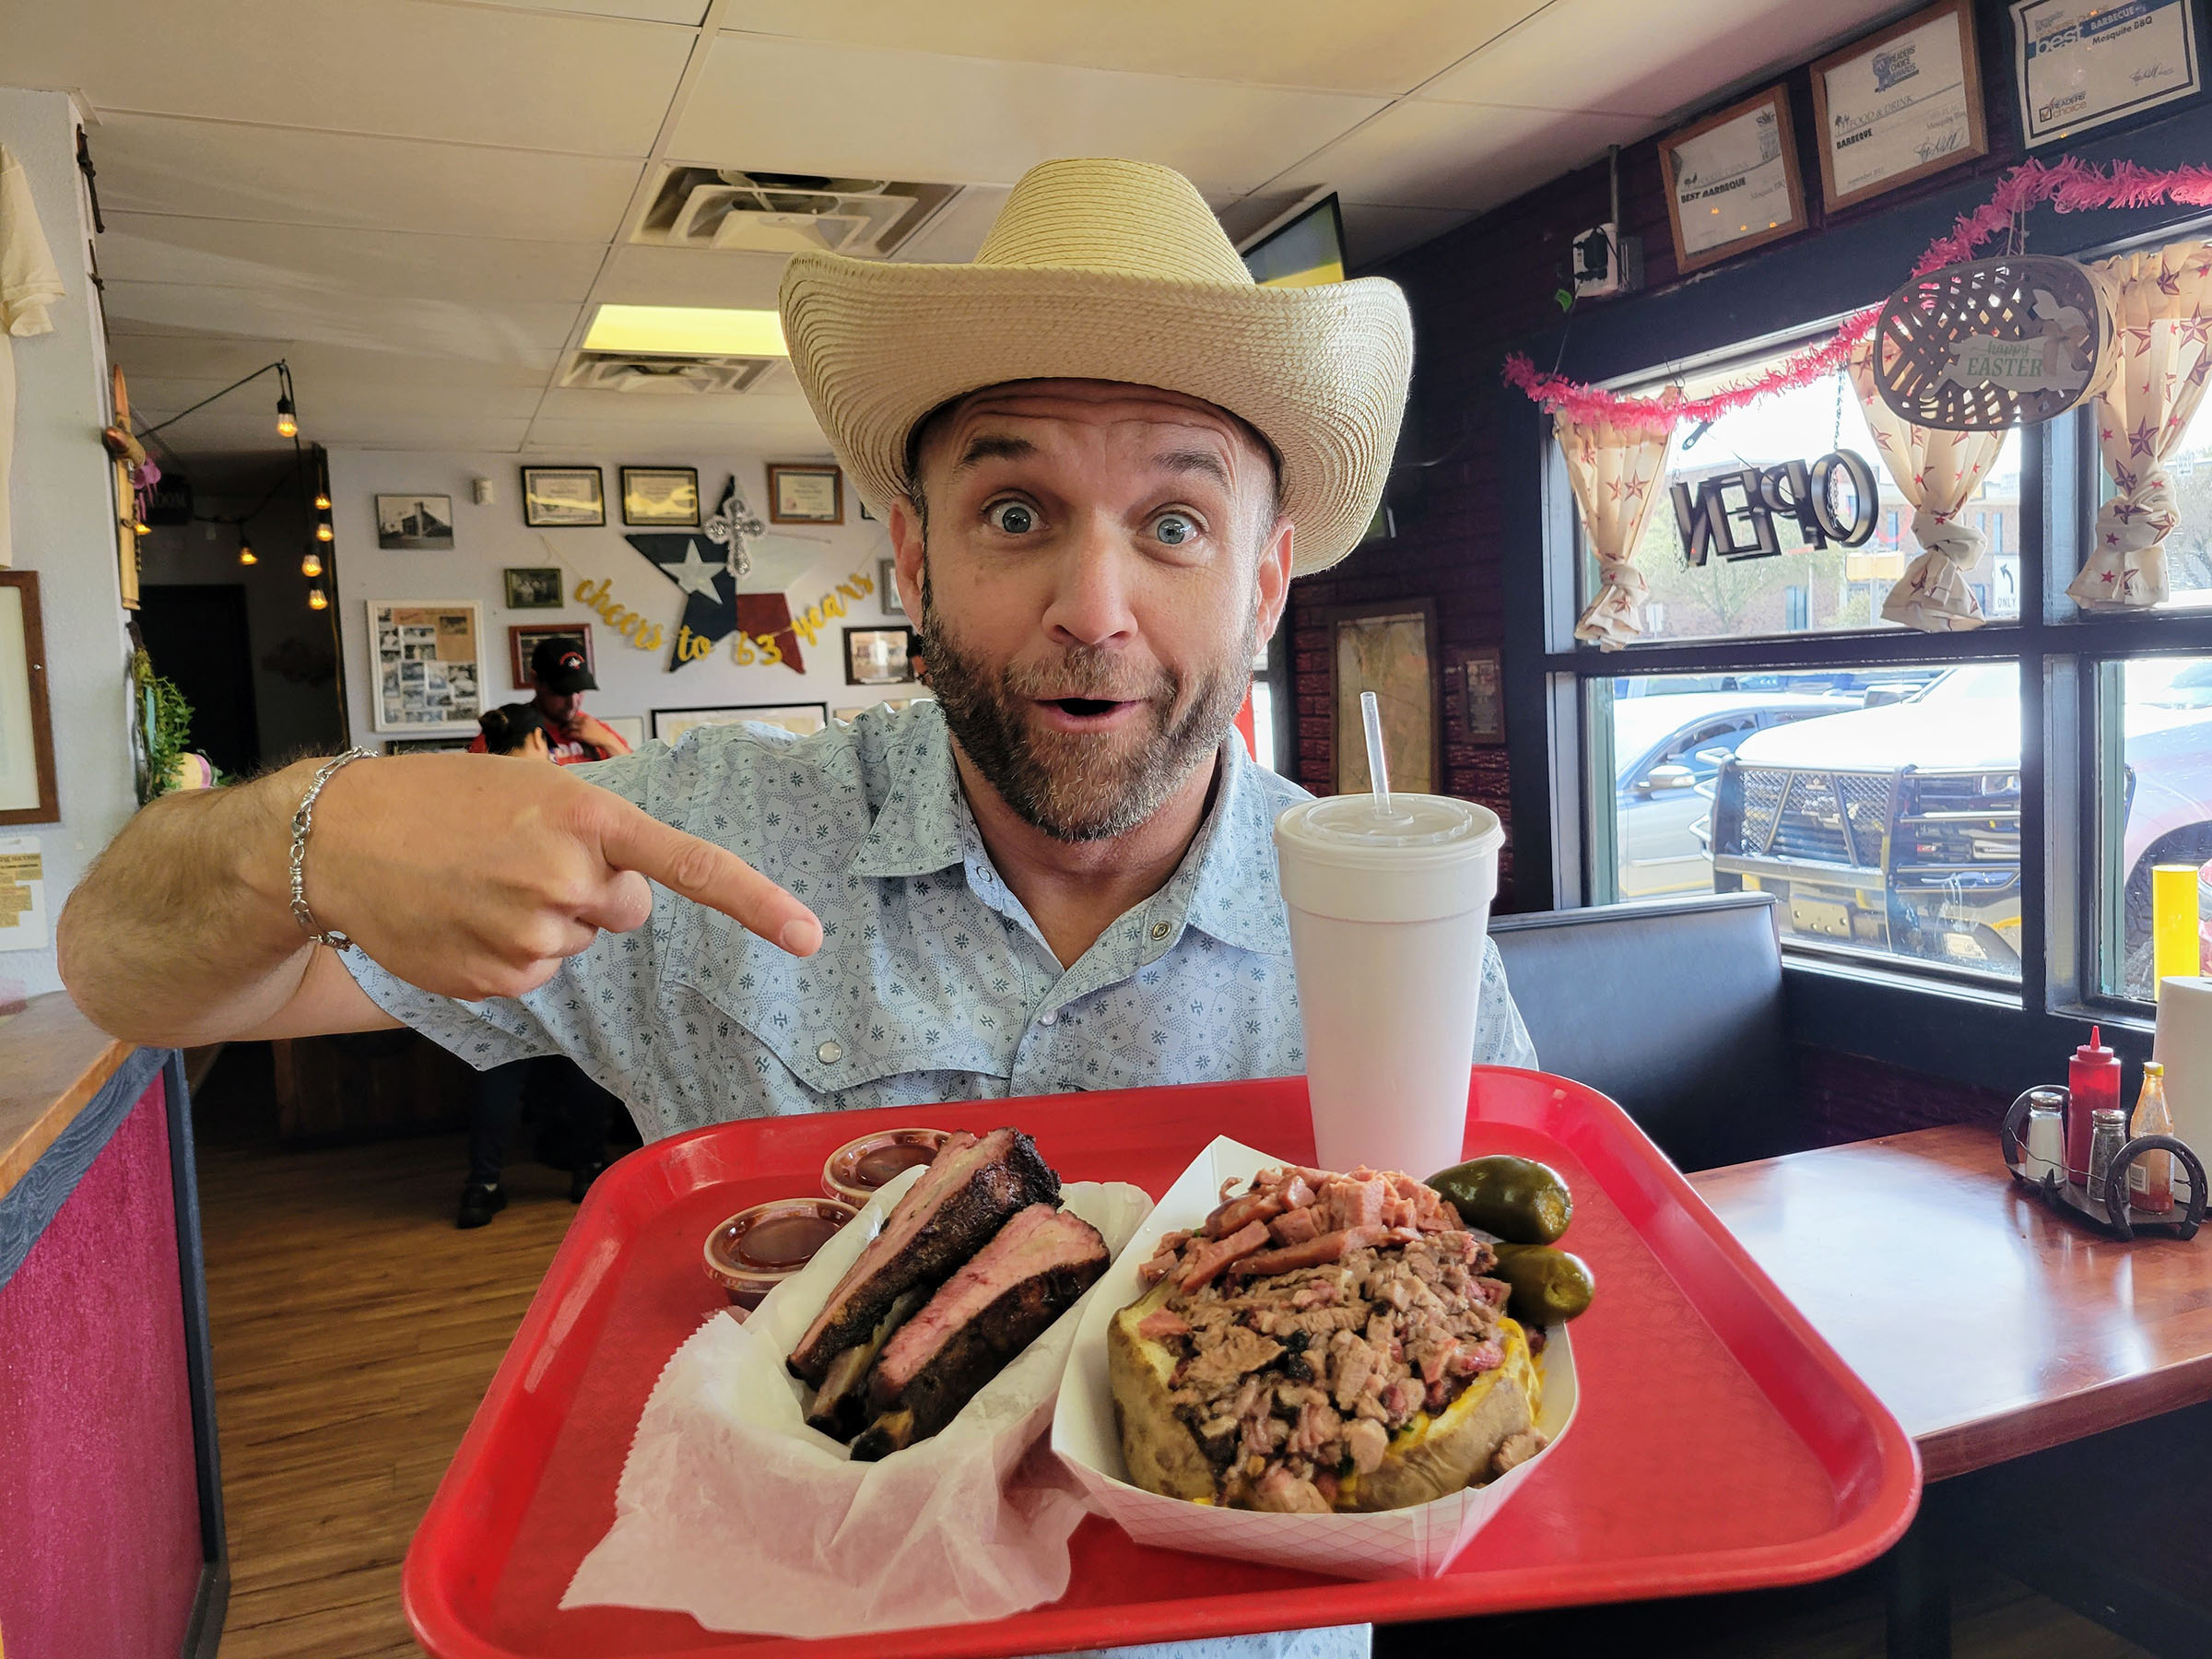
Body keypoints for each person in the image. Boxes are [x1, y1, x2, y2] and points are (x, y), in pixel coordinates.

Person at [59, 159, 1534, 1659]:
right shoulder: (703, 840)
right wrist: (300, 832)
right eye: (1017, 510)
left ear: (1269, 581)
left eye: (1175, 524)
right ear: (914, 556)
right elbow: (126, 975)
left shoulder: (1387, 917)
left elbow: (1518, 1331)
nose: (1095, 604)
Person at [459, 700, 628, 1228]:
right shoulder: (566, 791)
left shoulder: (470, 796)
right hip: (566, 951)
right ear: (537, 741)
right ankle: (589, 1171)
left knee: (499, 1072)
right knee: (580, 1063)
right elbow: (633, 795)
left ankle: (481, 1189)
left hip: (498, 952)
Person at [476, 639, 632, 763]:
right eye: (562, 691)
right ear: (536, 680)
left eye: (579, 691)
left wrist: (608, 741)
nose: (573, 703)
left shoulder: (596, 729)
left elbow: (640, 777)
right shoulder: (505, 730)